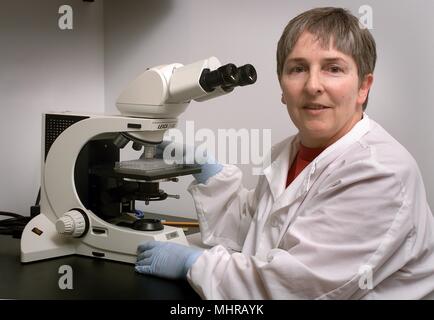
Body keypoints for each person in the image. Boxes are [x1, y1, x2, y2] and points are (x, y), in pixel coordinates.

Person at [135, 7, 434, 299]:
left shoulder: (381, 173)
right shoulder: (290, 152)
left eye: (333, 68)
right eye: (298, 68)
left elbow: (292, 287)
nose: (313, 85)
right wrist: (208, 173)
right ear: (282, 86)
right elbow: (256, 233)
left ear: (363, 88)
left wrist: (192, 263)